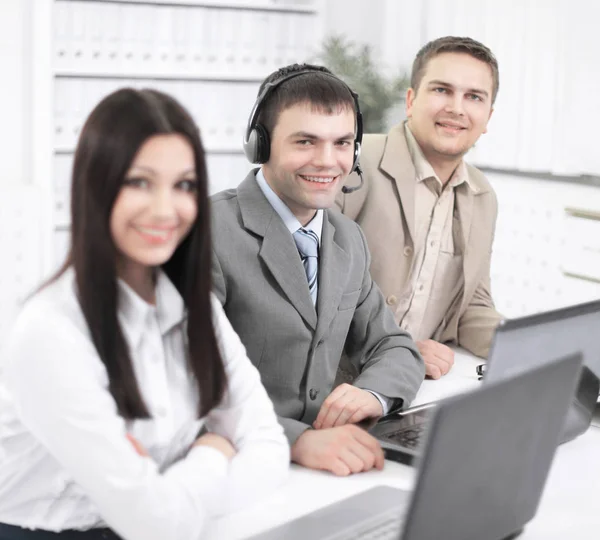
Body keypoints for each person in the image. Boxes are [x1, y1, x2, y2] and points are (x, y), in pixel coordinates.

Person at [0, 89, 288, 540]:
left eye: (184, 185)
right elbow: (154, 524)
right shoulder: (50, 332)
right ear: (97, 187)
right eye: (139, 182)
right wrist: (214, 449)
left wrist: (169, 498)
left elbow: (269, 452)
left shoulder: (196, 309)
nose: (164, 209)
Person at [210, 63, 425, 477]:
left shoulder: (347, 238)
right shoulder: (209, 233)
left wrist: (373, 394)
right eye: (306, 141)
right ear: (261, 145)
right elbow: (186, 386)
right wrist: (298, 439)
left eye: (343, 142)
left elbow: (394, 346)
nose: (328, 161)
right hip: (240, 464)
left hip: (331, 464)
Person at [337, 36, 503, 379]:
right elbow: (306, 292)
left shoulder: (482, 195)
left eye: (474, 97)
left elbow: (472, 308)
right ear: (411, 100)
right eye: (442, 90)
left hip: (420, 385)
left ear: (487, 117)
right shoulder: (351, 159)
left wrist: (535, 348)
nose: (457, 108)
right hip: (337, 382)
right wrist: (396, 350)